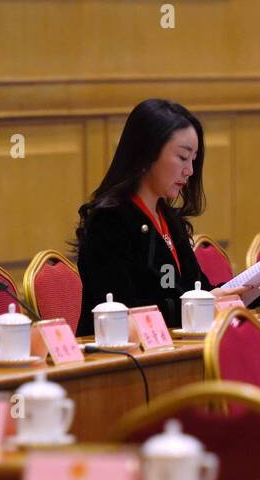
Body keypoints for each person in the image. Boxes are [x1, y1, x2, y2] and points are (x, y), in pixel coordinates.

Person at [72, 99, 245, 334]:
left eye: (193, 160)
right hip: (122, 358)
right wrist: (196, 305)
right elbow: (123, 312)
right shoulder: (109, 221)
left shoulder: (168, 218)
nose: (190, 171)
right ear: (147, 154)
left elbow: (200, 289)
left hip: (173, 350)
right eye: (183, 157)